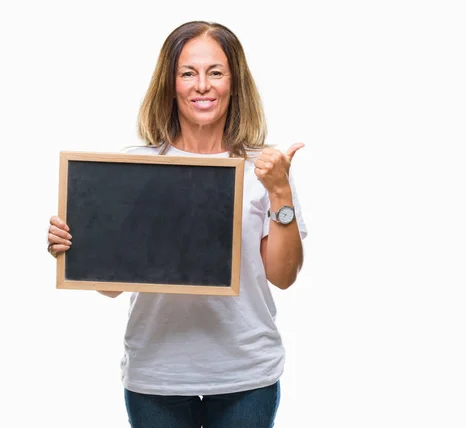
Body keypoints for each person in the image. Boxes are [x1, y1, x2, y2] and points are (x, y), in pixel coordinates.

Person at [47, 20, 307, 428]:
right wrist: (78, 245)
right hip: (157, 375)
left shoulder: (266, 168)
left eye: (215, 72)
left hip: (245, 374)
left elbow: (284, 276)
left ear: (233, 83)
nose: (202, 85)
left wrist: (280, 194)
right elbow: (112, 286)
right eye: (188, 73)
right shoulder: (135, 167)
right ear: (171, 85)